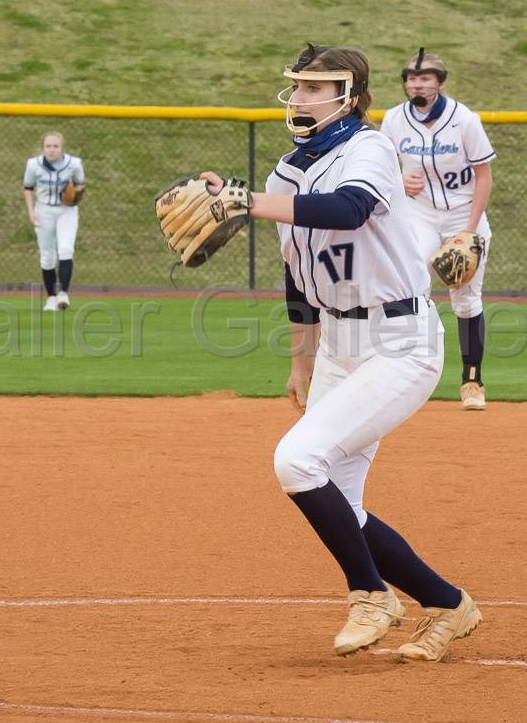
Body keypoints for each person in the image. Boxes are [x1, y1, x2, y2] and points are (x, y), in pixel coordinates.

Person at [200, 43, 481, 661]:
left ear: (348, 98)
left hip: (399, 342)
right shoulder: (284, 174)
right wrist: (302, 356)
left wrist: (246, 201)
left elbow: (349, 210)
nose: (299, 97)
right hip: (337, 346)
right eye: (296, 86)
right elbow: (298, 274)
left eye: (313, 88)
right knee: (338, 497)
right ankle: (450, 605)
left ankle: (370, 594)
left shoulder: (372, 149)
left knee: (296, 461)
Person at [380, 50, 495, 411]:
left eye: (426, 77)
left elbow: (484, 176)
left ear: (440, 83)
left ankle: (472, 381)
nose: (417, 82)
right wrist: (399, 180)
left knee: (465, 299)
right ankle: (403, 374)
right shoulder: (394, 120)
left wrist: (470, 232)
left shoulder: (465, 120)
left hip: (464, 214)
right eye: (412, 77)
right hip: (420, 214)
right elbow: (380, 169)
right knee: (410, 286)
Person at [23, 132, 85, 312]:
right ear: (43, 148)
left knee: (66, 249)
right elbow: (28, 188)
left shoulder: (74, 164)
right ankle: (51, 297)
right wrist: (31, 211)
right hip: (44, 210)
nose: (52, 150)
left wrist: (74, 194)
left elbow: (80, 185)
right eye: (48, 146)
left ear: (61, 148)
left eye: (55, 146)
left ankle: (63, 293)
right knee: (47, 255)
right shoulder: (33, 164)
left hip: (66, 211)